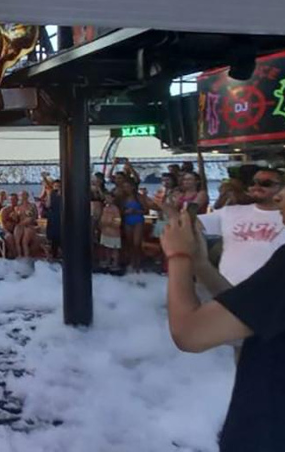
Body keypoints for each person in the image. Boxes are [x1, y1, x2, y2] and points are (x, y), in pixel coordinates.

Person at [159, 183, 285, 451]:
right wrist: (201, 264)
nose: (279, 196)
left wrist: (178, 256)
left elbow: (190, 334)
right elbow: (247, 312)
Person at [198, 168, 285, 287]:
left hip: (274, 293)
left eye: (266, 184)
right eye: (253, 183)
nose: (256, 187)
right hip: (229, 291)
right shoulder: (230, 212)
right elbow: (189, 224)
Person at [120, 179, 153, 272]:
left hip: (138, 220)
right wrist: (125, 212)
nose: (126, 189)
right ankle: (131, 262)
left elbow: (146, 211)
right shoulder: (123, 198)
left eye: (128, 187)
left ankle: (137, 263)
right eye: (124, 187)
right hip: (127, 220)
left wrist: (136, 211)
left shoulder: (139, 197)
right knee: (129, 242)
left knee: (136, 243)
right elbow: (120, 211)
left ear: (133, 187)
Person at [99, 192, 122, 270]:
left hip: (113, 232)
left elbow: (118, 219)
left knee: (114, 248)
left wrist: (114, 224)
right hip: (105, 231)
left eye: (109, 198)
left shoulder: (115, 209)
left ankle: (115, 263)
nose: (107, 200)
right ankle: (107, 260)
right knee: (107, 247)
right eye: (106, 198)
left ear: (113, 199)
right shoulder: (105, 207)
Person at [0, 193, 20, 258]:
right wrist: (7, 232)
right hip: (2, 229)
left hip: (15, 229)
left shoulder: (19, 209)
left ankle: (22, 254)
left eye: (15, 200)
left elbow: (21, 221)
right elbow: (2, 223)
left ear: (18, 200)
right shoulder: (5, 210)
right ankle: (14, 255)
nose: (13, 201)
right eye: (11, 200)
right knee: (9, 237)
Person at [46, 180, 62, 259]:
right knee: (53, 237)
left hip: (61, 217)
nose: (56, 188)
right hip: (53, 216)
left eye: (58, 186)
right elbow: (48, 205)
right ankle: (54, 254)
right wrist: (48, 195)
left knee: (61, 235)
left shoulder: (64, 194)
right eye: (55, 186)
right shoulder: (51, 193)